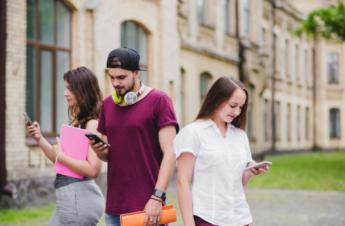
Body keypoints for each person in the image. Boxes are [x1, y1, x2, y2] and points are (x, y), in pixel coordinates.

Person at [91, 47, 178, 226]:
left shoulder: (159, 100)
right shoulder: (107, 105)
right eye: (112, 77)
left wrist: (156, 197)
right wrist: (99, 151)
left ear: (136, 73)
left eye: (121, 77)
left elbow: (170, 153)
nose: (115, 83)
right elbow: (108, 154)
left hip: (148, 208)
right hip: (114, 208)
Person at [174, 77, 269, 226]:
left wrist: (249, 172)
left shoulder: (240, 136)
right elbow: (182, 182)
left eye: (241, 107)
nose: (237, 112)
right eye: (233, 105)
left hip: (240, 218)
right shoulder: (193, 132)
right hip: (208, 218)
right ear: (217, 99)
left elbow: (235, 184)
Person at [26, 66, 105, 226]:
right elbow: (60, 160)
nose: (65, 93)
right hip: (70, 199)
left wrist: (61, 155)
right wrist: (39, 138)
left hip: (78, 200)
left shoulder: (92, 124)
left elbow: (94, 169)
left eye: (70, 89)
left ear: (82, 90)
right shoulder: (78, 122)